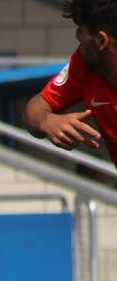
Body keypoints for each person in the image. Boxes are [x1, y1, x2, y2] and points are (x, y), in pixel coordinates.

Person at [24, 0, 117, 167]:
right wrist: (46, 121)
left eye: (80, 31)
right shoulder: (84, 65)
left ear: (101, 41)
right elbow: (35, 109)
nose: (77, 37)